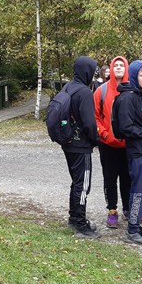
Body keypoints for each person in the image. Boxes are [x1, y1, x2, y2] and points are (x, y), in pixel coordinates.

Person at [114, 60, 142, 245]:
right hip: (137, 151)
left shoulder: (139, 94)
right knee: (139, 191)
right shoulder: (128, 97)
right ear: (133, 76)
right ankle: (132, 229)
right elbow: (125, 127)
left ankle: (136, 224)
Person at [60, 56, 101, 238]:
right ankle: (81, 225)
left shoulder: (68, 87)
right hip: (81, 146)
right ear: (87, 71)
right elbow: (89, 123)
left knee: (76, 182)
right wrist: (95, 140)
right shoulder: (84, 92)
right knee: (83, 185)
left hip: (68, 143)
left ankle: (73, 217)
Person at [94, 56, 130, 229]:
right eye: (116, 65)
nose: (119, 68)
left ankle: (128, 209)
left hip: (128, 145)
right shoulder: (101, 91)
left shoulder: (133, 90)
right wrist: (104, 134)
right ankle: (112, 210)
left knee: (127, 178)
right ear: (111, 68)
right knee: (110, 178)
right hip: (107, 144)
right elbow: (94, 117)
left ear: (126, 68)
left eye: (122, 65)